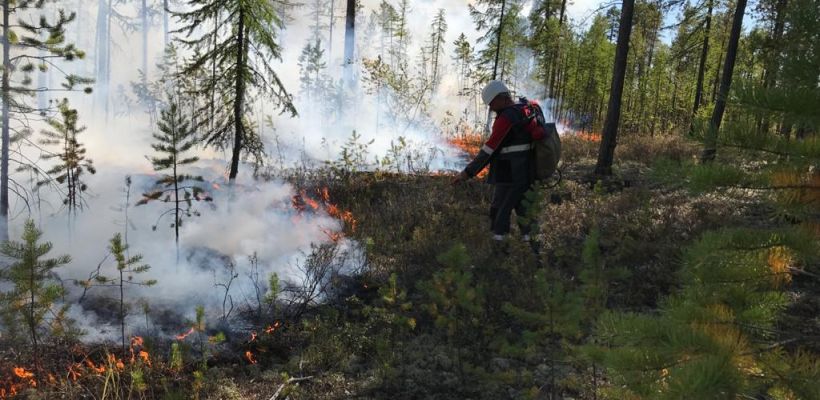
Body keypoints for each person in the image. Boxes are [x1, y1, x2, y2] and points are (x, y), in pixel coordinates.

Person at [452, 80, 545, 243]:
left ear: (502, 98)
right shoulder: (524, 110)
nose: (491, 108)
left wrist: (467, 173)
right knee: (523, 210)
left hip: (510, 173)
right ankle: (533, 249)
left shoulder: (507, 118)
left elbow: (489, 150)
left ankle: (500, 250)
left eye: (492, 103)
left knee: (500, 211)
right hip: (524, 171)